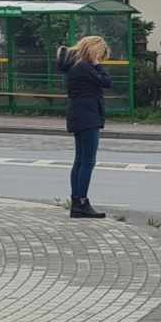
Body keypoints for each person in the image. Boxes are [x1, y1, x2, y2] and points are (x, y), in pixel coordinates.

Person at [60, 35, 113, 219]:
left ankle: (76, 201)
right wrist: (97, 65)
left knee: (80, 160)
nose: (100, 58)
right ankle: (81, 202)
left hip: (78, 115)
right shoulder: (85, 67)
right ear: (93, 50)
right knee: (87, 161)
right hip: (88, 116)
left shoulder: (74, 66)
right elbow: (107, 82)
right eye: (100, 54)